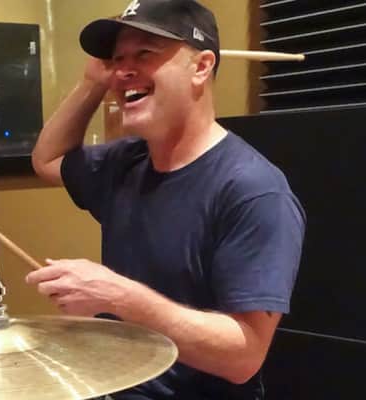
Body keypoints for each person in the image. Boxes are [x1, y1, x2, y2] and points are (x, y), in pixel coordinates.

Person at [26, 1, 306, 399]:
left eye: (144, 53)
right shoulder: (127, 162)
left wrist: (117, 296)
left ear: (201, 66)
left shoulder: (253, 190)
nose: (123, 70)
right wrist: (92, 83)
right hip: (117, 386)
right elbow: (47, 160)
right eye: (117, 58)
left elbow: (243, 357)